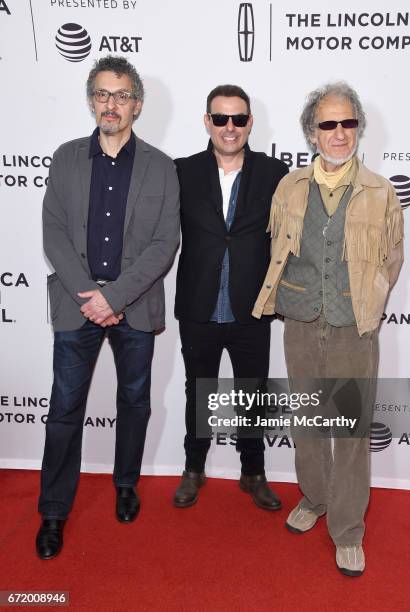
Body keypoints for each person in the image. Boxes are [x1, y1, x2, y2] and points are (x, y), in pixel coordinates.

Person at [253, 82, 404, 575]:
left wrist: (367, 303)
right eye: (328, 124)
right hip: (299, 321)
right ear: (312, 134)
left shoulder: (381, 192)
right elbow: (277, 246)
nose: (339, 134)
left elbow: (391, 260)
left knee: (352, 431)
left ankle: (348, 529)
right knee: (309, 423)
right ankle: (315, 498)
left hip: (352, 328)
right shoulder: (289, 187)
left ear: (358, 128)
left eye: (347, 123)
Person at [36, 55, 179, 559]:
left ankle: (125, 484)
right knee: (64, 411)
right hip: (78, 306)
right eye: (102, 94)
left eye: (121, 95)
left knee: (134, 402)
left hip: (134, 308)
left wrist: (114, 298)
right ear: (91, 101)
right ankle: (53, 511)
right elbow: (53, 231)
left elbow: (165, 243)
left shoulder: (162, 166)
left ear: (137, 104)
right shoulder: (66, 157)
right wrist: (91, 298)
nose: (110, 104)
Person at [173, 84, 289, 510]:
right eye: (220, 118)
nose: (229, 127)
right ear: (207, 121)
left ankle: (253, 472)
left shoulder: (274, 173)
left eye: (238, 119)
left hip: (251, 306)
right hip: (199, 304)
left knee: (252, 392)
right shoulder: (181, 171)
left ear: (249, 123)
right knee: (197, 391)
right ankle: (193, 468)